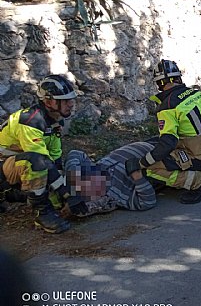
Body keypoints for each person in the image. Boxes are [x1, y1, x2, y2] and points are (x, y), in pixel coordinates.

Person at [125, 59, 201, 204]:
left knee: (152, 169)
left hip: (198, 154)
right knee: (186, 155)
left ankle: (200, 183)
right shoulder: (196, 94)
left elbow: (167, 144)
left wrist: (141, 163)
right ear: (179, 78)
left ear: (160, 84)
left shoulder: (168, 107)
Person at [0, 75, 87, 233]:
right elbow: (42, 162)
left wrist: (61, 197)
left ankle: (14, 195)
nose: (71, 104)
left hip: (12, 166)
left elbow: (55, 158)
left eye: (71, 100)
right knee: (35, 162)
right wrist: (67, 194)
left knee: (57, 200)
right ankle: (43, 214)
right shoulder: (30, 122)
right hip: (6, 167)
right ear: (48, 102)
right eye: (65, 100)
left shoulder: (54, 120)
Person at [62, 141, 158, 216]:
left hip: (144, 145)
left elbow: (75, 153)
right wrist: (138, 176)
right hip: (156, 155)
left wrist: (72, 189)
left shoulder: (93, 171)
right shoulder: (120, 195)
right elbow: (148, 202)